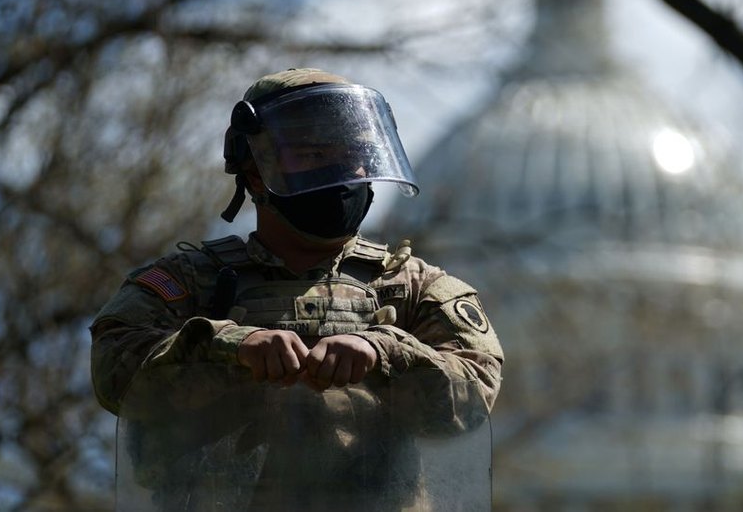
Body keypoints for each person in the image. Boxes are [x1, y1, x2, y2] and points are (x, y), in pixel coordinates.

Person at [90, 68, 503, 510]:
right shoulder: (190, 280)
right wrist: (232, 345)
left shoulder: (414, 287)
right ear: (255, 173)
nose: (340, 172)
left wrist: (383, 350)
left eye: (354, 155)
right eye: (313, 154)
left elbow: (474, 394)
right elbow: (115, 369)